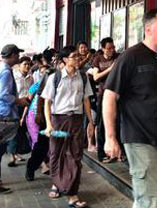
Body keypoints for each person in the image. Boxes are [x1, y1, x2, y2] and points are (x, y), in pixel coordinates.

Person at [103, 8, 157, 208]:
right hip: (139, 138)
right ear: (148, 29)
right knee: (154, 197)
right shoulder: (130, 57)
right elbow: (109, 96)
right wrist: (110, 137)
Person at [42, 45, 94, 208]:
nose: (78, 58)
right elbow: (47, 102)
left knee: (75, 155)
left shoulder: (83, 77)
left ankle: (72, 193)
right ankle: (56, 183)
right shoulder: (54, 78)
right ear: (65, 60)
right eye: (74, 56)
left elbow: (86, 100)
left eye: (79, 56)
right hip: (58, 119)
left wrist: (90, 122)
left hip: (77, 119)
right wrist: (49, 124)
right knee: (56, 154)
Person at [0, 44, 30, 195]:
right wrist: (19, 101)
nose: (18, 57)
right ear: (12, 55)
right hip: (2, 116)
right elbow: (3, 96)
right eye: (17, 54)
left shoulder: (0, 68)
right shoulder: (6, 72)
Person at [91, 37, 119, 162]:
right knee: (102, 124)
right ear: (103, 49)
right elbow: (96, 77)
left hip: (118, 95)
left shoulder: (118, 57)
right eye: (109, 48)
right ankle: (102, 153)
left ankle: (118, 152)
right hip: (103, 95)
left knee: (118, 123)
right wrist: (110, 68)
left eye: (113, 47)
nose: (112, 50)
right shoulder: (98, 59)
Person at [8, 56, 33, 167]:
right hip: (15, 106)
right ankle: (12, 156)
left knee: (22, 130)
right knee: (14, 130)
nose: (27, 66)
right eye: (25, 64)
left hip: (27, 106)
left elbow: (31, 93)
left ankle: (17, 152)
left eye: (29, 64)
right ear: (19, 65)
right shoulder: (14, 76)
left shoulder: (31, 78)